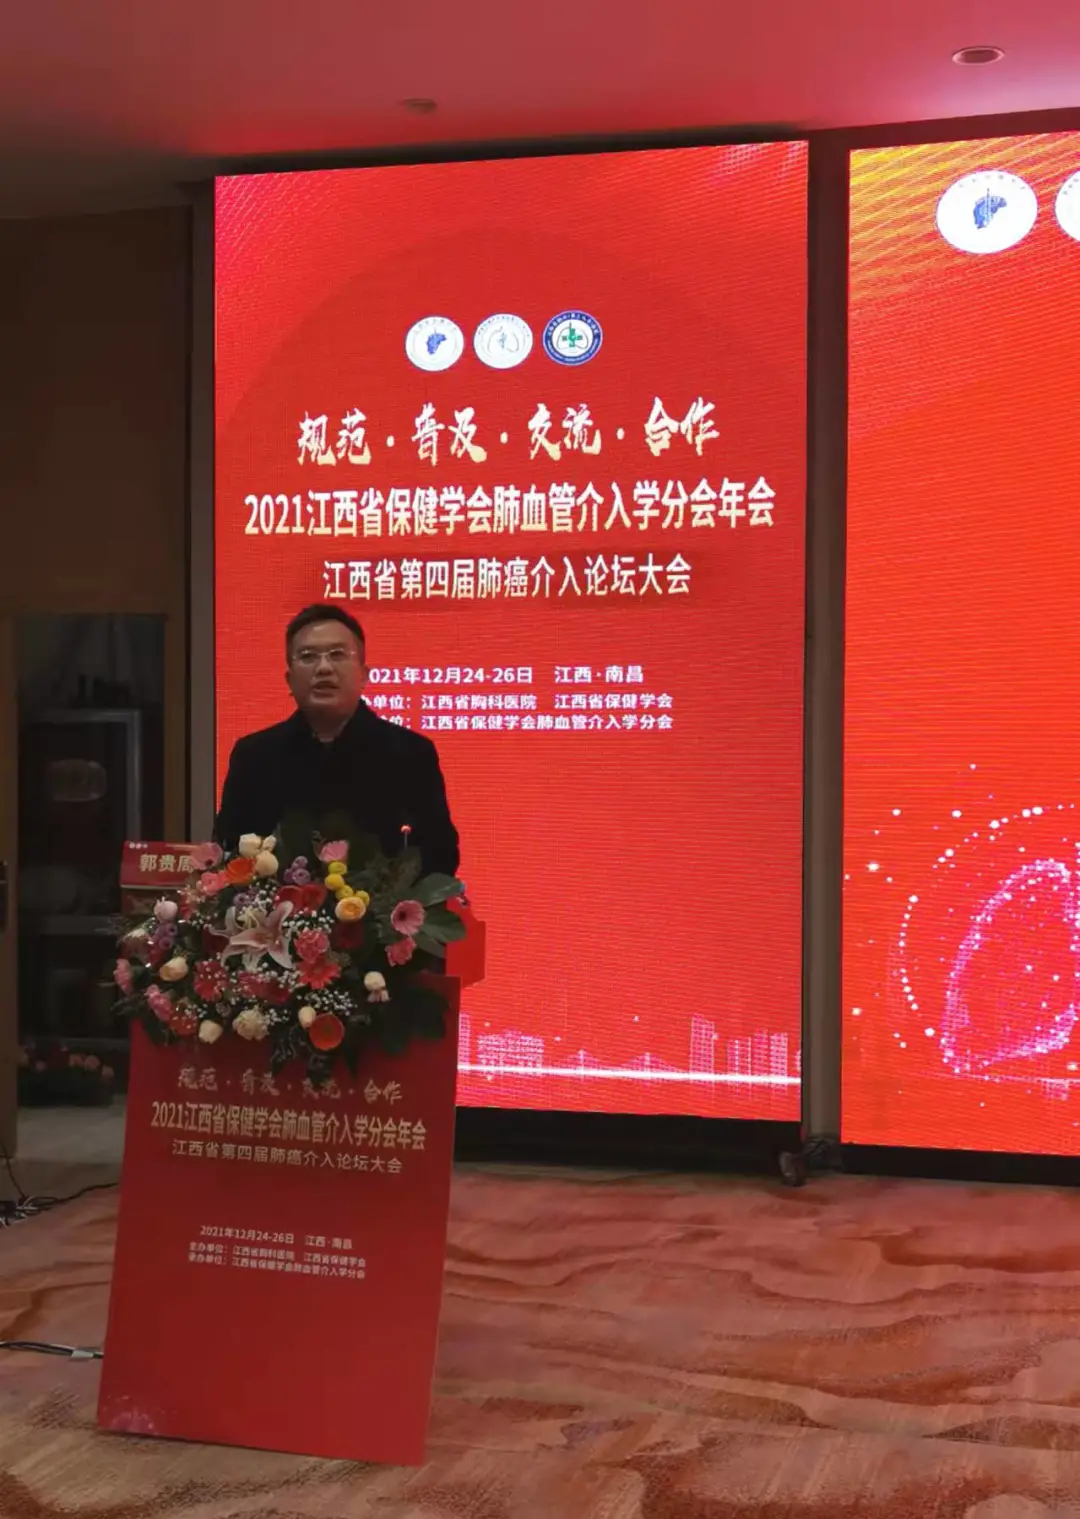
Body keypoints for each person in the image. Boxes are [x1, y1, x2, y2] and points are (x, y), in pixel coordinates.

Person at [214, 605, 459, 877]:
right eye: (308, 656)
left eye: (337, 654)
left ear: (363, 675)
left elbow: (440, 856)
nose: (324, 668)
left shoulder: (410, 753)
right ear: (289, 680)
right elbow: (228, 851)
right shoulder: (254, 756)